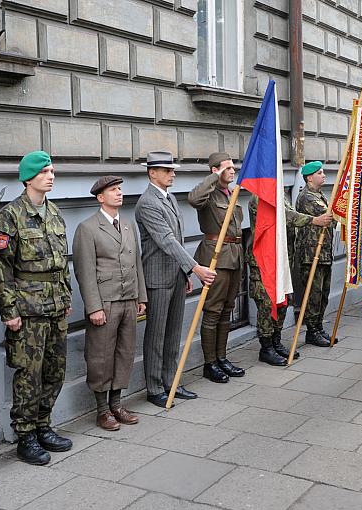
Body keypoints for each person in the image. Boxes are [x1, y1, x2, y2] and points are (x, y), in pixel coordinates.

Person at [0, 151, 74, 465]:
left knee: (55, 370)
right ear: (28, 177)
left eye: (52, 171)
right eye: (45, 172)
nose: (51, 176)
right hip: (28, 309)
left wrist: (65, 299)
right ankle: (25, 436)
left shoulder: (54, 213)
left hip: (54, 306)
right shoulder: (10, 216)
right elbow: (0, 269)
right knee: (29, 374)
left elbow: (63, 264)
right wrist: (9, 311)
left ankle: (43, 424)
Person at [135, 151, 216, 406]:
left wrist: (184, 272)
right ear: (152, 173)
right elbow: (166, 241)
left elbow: (177, 240)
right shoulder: (148, 202)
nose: (173, 173)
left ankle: (171, 381)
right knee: (156, 335)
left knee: (173, 334)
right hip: (157, 278)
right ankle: (155, 387)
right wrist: (195, 268)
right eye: (167, 170)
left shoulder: (167, 198)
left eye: (172, 170)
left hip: (175, 275)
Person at [72, 176, 147, 431]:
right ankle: (102, 410)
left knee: (125, 353)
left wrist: (141, 297)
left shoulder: (127, 225)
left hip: (128, 299)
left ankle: (117, 404)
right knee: (101, 356)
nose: (119, 193)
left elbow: (137, 263)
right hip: (105, 302)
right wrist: (94, 307)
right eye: (113, 190)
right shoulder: (88, 228)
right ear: (100, 197)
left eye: (120, 189)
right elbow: (85, 271)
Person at [248, 193, 333, 364]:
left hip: (282, 260)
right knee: (266, 304)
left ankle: (276, 342)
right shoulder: (261, 196)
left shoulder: (281, 194)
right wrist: (313, 220)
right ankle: (266, 348)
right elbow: (282, 216)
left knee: (282, 302)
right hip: (265, 260)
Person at [188, 152, 246, 383]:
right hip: (216, 256)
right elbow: (193, 199)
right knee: (213, 310)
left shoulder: (231, 193)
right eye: (228, 168)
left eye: (233, 168)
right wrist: (214, 178)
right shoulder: (209, 194)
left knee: (227, 309)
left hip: (234, 255)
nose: (232, 171)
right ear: (215, 170)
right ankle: (209, 363)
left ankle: (222, 358)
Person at [296, 161, 338, 347]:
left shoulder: (319, 194)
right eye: (320, 173)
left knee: (323, 294)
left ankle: (319, 327)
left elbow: (331, 220)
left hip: (324, 252)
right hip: (311, 253)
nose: (323, 175)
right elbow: (328, 217)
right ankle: (312, 331)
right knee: (313, 295)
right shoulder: (307, 197)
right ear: (309, 177)